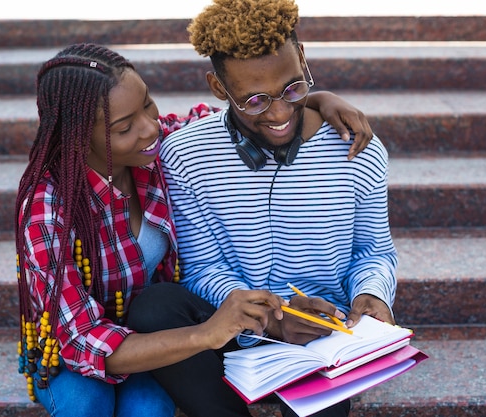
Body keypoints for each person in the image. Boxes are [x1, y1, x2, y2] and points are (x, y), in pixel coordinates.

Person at [14, 41, 376, 417]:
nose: (149, 127)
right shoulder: (48, 209)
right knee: (86, 406)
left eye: (147, 105)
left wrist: (320, 100)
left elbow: (252, 109)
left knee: (147, 410)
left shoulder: (164, 146)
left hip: (158, 333)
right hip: (87, 345)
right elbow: (80, 340)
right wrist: (206, 333)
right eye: (123, 128)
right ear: (76, 139)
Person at [129, 1, 398, 416]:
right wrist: (270, 319)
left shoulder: (357, 148)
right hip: (230, 324)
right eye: (254, 100)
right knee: (155, 306)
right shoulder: (185, 155)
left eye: (293, 88)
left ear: (303, 58)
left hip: (322, 332)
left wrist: (372, 294)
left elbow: (373, 252)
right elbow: (203, 269)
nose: (279, 112)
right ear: (219, 90)